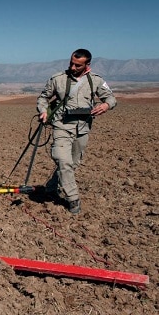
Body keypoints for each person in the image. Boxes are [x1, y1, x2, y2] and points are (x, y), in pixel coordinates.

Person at [37, 48, 116, 214]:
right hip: (61, 126)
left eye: (78, 65)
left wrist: (106, 105)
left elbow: (110, 97)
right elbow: (43, 98)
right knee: (61, 158)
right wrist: (43, 110)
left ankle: (52, 187)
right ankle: (73, 198)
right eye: (71, 63)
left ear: (87, 65)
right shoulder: (58, 79)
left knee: (72, 164)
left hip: (82, 128)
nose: (73, 67)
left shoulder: (95, 80)